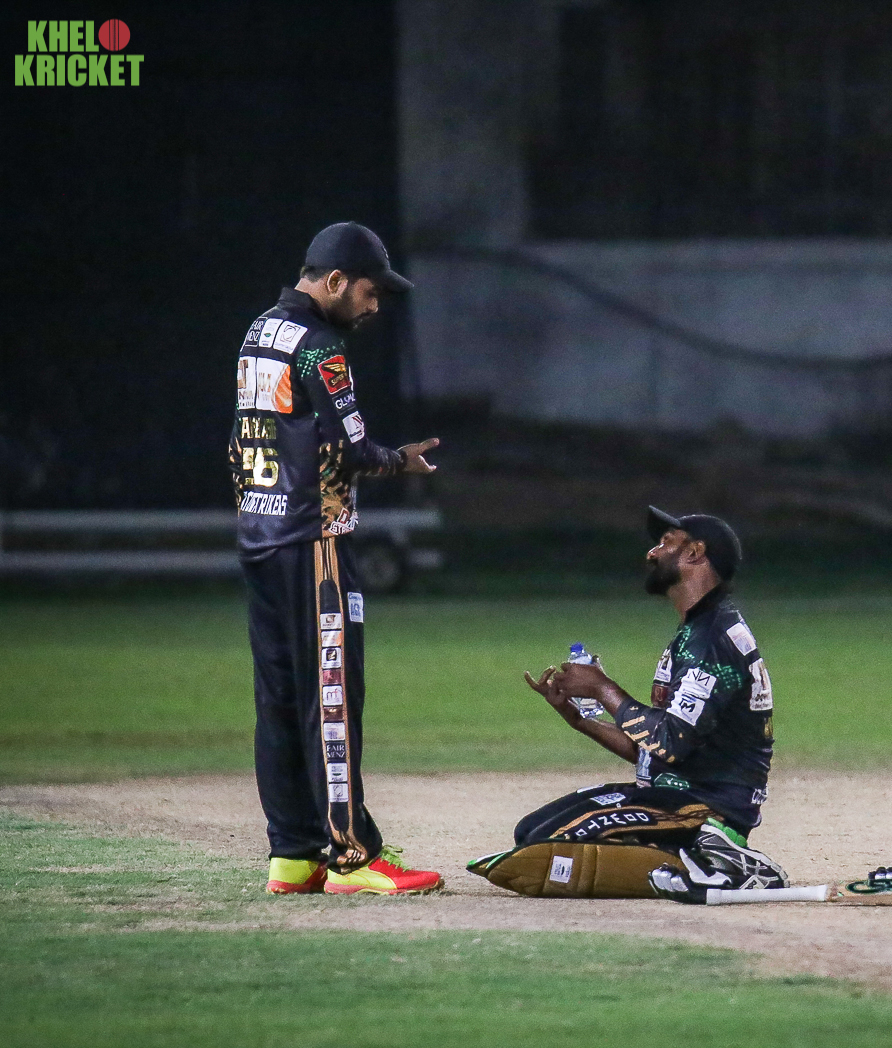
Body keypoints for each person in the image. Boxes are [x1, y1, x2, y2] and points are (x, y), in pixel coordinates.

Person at [230, 222, 444, 893]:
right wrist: (399, 459)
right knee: (332, 698)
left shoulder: (259, 332)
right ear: (334, 281)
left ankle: (292, 855)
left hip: (260, 537)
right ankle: (353, 855)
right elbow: (350, 449)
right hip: (313, 542)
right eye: (370, 291)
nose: (375, 305)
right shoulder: (321, 345)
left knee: (278, 700)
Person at [492, 506, 786, 903]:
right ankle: (687, 857)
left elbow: (672, 740)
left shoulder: (712, 638)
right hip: (674, 796)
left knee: (549, 842)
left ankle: (723, 861)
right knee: (530, 832)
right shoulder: (698, 629)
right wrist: (579, 719)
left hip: (709, 807)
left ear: (695, 553)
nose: (652, 553)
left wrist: (603, 688)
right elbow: (654, 751)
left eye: (665, 543)